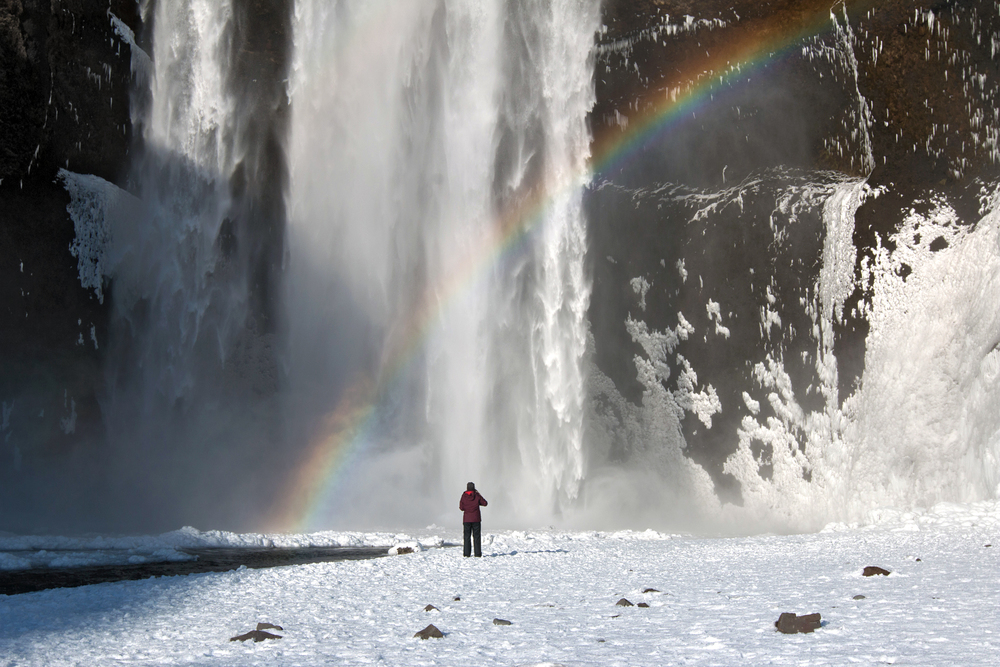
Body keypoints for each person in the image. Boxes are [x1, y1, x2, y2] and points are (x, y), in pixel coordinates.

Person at [459, 482, 488, 557]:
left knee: (466, 537)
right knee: (477, 537)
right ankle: (477, 554)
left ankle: (466, 554)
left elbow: (461, 508)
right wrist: (478, 494)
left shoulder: (464, 496)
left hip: (467, 519)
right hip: (476, 519)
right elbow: (485, 503)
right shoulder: (477, 495)